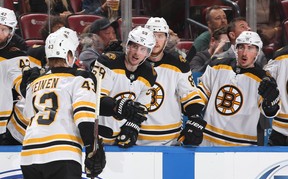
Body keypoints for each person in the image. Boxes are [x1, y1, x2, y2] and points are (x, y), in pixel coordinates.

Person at [20, 26, 148, 179]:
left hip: (29, 155)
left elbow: (27, 116)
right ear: (70, 55)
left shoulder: (35, 83)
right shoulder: (80, 78)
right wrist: (92, 149)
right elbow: (85, 117)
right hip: (61, 156)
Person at [197, 31, 280, 146]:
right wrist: (194, 117)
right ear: (236, 49)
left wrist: (271, 102)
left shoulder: (263, 79)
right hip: (207, 139)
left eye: (250, 48)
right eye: (241, 47)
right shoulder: (217, 66)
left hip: (242, 146)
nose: (245, 53)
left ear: (257, 52)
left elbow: (269, 112)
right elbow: (200, 95)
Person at [138, 17, 206, 146]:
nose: (156, 40)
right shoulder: (134, 63)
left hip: (169, 140)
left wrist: (195, 117)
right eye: (152, 35)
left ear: (166, 39)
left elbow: (189, 95)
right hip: (136, 137)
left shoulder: (178, 64)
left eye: (160, 36)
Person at [91, 26, 157, 148]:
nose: (137, 53)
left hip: (120, 138)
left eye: (143, 49)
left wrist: (132, 127)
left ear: (148, 53)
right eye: (135, 46)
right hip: (95, 135)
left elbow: (141, 110)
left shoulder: (149, 73)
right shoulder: (108, 62)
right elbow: (93, 100)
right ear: (127, 46)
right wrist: (119, 105)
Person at [0, 7, 40, 145]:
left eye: (3, 29)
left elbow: (20, 82)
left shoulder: (16, 54)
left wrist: (26, 84)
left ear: (11, 32)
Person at [263, 46, 288, 146]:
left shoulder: (281, 55)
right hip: (280, 132)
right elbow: (265, 79)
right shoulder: (281, 56)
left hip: (280, 131)